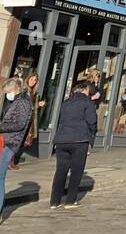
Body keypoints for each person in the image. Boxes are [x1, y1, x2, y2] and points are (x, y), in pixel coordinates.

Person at [49, 81, 97, 210]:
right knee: (76, 171)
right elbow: (92, 122)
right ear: (85, 91)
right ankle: (70, 200)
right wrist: (91, 138)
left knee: (60, 171)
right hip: (79, 140)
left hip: (62, 140)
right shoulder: (88, 103)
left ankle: (54, 201)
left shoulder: (66, 103)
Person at [1, 77, 34, 223]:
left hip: (10, 142)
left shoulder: (24, 102)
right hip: (4, 140)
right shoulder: (16, 101)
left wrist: (0, 126)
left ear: (15, 89)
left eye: (8, 92)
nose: (7, 94)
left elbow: (19, 124)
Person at [11, 70, 45, 167]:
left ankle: (13, 160)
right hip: (20, 120)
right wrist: (37, 105)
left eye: (35, 80)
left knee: (23, 142)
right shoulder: (22, 90)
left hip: (28, 121)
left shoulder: (34, 93)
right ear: (27, 79)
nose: (33, 81)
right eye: (31, 79)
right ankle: (10, 161)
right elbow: (23, 106)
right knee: (17, 141)